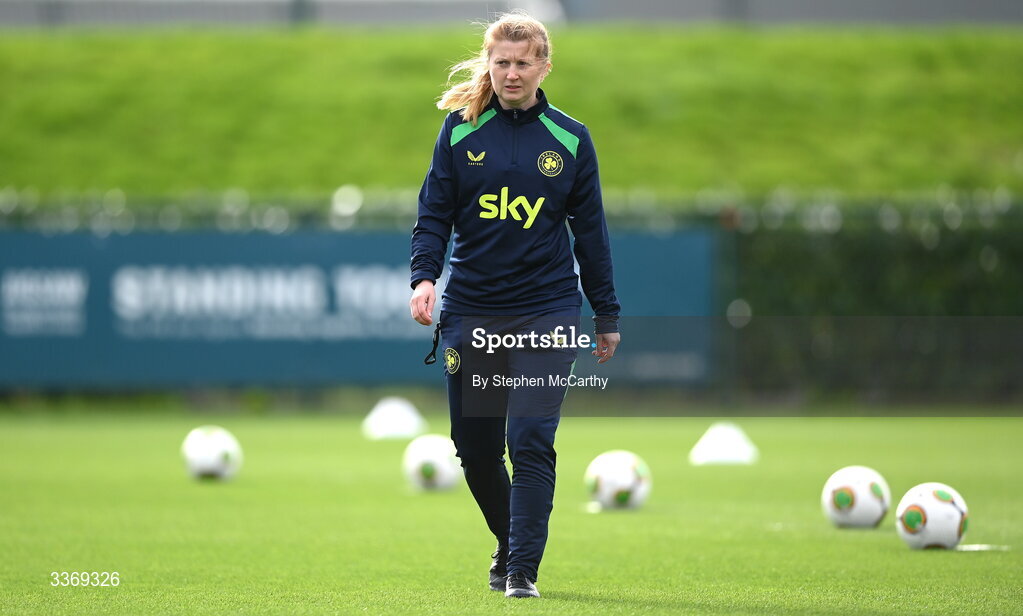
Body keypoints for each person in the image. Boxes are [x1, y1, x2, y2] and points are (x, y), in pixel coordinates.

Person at [408, 11, 620, 599]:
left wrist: (605, 314)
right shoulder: (458, 132)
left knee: (528, 436)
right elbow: (433, 217)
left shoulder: (572, 140)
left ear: (544, 67)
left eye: (523, 62)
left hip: (546, 310)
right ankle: (508, 543)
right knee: (475, 448)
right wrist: (424, 279)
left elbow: (591, 234)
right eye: (501, 62)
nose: (511, 72)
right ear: (489, 64)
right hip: (473, 311)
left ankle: (521, 571)